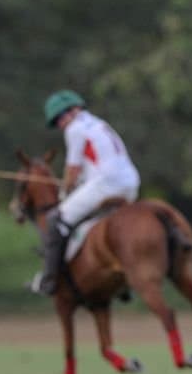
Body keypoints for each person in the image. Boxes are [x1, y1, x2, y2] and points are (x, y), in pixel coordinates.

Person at [31, 90, 141, 296]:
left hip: (106, 186)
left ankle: (48, 280)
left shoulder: (75, 128)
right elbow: (92, 165)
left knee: (56, 219)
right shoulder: (100, 124)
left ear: (75, 110)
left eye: (61, 118)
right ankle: (123, 284)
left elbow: (72, 169)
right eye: (57, 122)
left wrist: (65, 192)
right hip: (131, 184)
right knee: (101, 228)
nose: (60, 124)